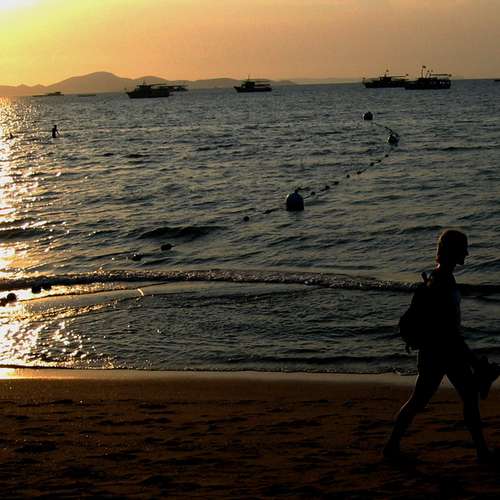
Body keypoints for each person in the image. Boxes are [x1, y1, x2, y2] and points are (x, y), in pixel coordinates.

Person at [384, 229, 499, 463]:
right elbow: (449, 332)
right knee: (422, 400)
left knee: (457, 397)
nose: (467, 253)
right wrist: (473, 360)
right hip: (440, 353)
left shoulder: (440, 278)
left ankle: (481, 451)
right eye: (463, 249)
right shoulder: (442, 283)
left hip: (439, 351)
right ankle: (391, 447)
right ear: (453, 251)